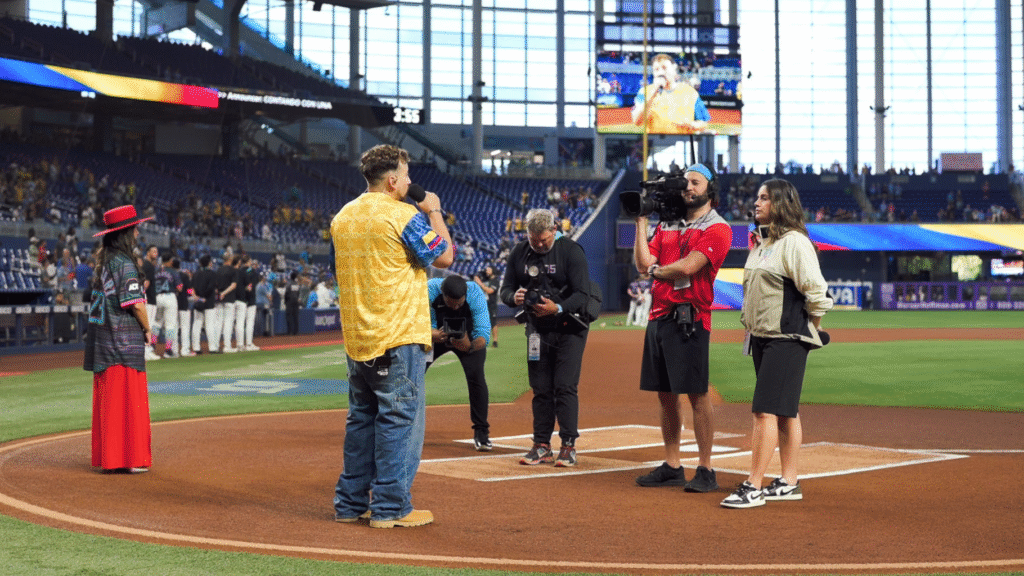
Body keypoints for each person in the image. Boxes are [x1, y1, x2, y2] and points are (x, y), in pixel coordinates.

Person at [331, 144, 454, 529]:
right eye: (407, 175)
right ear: (392, 181)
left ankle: (350, 503)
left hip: (358, 338)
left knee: (361, 420)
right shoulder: (403, 215)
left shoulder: (343, 216)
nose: (410, 181)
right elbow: (444, 256)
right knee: (399, 420)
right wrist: (433, 210)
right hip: (398, 336)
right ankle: (390, 507)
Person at [720, 179, 833, 509]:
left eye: (765, 198)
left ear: (782, 204)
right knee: (785, 411)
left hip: (786, 337)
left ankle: (753, 486)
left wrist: (812, 330)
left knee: (764, 411)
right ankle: (788, 481)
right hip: (762, 337)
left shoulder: (795, 242)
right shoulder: (762, 243)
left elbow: (817, 292)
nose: (757, 203)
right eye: (757, 197)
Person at [632, 163, 732, 493]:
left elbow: (688, 267)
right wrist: (641, 221)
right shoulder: (667, 224)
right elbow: (642, 263)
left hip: (691, 320)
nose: (688, 187)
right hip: (659, 318)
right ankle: (673, 465)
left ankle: (706, 469)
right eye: (686, 182)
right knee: (665, 396)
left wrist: (655, 272)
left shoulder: (718, 228)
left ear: (710, 190)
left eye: (696, 182)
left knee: (697, 395)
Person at [499, 208, 594, 468]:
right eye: (534, 240)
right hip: (536, 330)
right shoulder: (519, 252)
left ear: (554, 230)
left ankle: (568, 446)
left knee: (564, 386)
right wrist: (513, 297)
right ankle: (541, 445)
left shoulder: (571, 251)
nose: (539, 245)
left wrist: (558, 307)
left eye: (544, 240)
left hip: (569, 328)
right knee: (540, 388)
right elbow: (505, 289)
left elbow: (582, 294)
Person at [83, 205, 154, 474]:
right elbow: (135, 303)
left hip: (103, 341)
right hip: (122, 342)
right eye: (134, 228)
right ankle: (128, 458)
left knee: (110, 404)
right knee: (128, 402)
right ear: (125, 233)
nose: (137, 232)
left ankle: (110, 458)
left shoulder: (105, 262)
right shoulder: (123, 262)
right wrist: (148, 329)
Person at [426, 275, 492, 450]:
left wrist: (469, 347)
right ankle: (407, 427)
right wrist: (432, 334)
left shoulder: (475, 292)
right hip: (436, 337)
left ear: (465, 295)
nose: (455, 307)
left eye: (459, 304)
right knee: (414, 374)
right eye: (451, 303)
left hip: (467, 337)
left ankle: (482, 433)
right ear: (443, 294)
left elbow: (483, 334)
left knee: (476, 377)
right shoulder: (430, 289)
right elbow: (421, 322)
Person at [631, 54, 711, 135]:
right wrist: (653, 94)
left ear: (674, 68)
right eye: (656, 69)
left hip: (682, 140)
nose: (661, 72)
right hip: (655, 140)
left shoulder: (690, 92)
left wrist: (691, 125)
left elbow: (704, 123)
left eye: (664, 68)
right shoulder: (644, 92)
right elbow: (637, 121)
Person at [153, 252, 181, 358]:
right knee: (170, 325)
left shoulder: (156, 271)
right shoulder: (172, 271)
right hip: (169, 297)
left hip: (157, 297)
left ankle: (152, 345)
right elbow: (179, 287)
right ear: (170, 261)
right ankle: (168, 350)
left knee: (156, 323)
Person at [191, 254, 218, 355]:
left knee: (197, 325)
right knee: (210, 325)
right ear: (209, 263)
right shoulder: (212, 274)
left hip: (198, 302)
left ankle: (196, 348)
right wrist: (204, 297)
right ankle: (212, 348)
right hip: (208, 302)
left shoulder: (196, 274)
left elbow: (191, 288)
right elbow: (211, 288)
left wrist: (197, 297)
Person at [472, 265, 500, 348]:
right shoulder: (486, 279)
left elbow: (490, 291)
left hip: (491, 304)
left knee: (493, 322)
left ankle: (495, 341)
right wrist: (477, 279)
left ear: (493, 271)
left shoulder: (495, 281)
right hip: (482, 304)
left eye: (488, 269)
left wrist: (479, 283)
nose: (486, 271)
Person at [172, 258, 195, 357]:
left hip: (173, 304)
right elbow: (189, 290)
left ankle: (174, 350)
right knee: (185, 328)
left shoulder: (170, 275)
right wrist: (192, 295)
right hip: (183, 304)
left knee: (174, 327)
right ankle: (185, 350)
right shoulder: (184, 275)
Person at [215, 254, 238, 352]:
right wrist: (224, 293)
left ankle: (215, 346)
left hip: (219, 299)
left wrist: (220, 293)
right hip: (229, 298)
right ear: (230, 259)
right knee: (228, 323)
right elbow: (233, 285)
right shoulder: (233, 270)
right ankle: (227, 346)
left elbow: (215, 286)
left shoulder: (218, 270)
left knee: (218, 322)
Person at [141, 245, 160, 361]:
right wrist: (142, 295)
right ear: (147, 252)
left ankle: (146, 350)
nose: (155, 253)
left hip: (146, 300)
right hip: (149, 300)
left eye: (156, 251)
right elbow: (146, 284)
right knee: (149, 326)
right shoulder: (149, 266)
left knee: (146, 326)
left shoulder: (145, 264)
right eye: (153, 251)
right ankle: (146, 351)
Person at [242, 256, 260, 351]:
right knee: (249, 322)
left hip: (240, 298)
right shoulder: (253, 272)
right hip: (251, 299)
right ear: (249, 261)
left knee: (240, 323)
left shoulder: (239, 271)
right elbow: (254, 284)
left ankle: (240, 344)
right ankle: (248, 343)